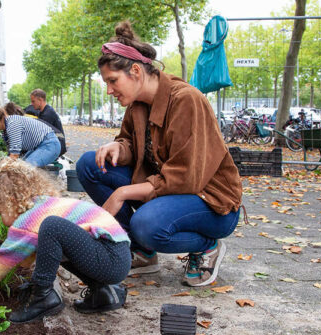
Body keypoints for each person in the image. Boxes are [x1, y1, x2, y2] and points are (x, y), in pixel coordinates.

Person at [76, 21, 242, 287]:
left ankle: (207, 246)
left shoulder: (186, 100)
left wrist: (122, 193)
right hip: (168, 191)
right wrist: (119, 148)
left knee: (146, 225)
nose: (109, 91)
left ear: (136, 71)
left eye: (112, 81)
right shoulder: (136, 104)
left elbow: (186, 179)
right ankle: (143, 253)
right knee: (89, 164)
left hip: (209, 202)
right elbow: (131, 142)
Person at [0, 158, 131, 323]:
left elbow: (4, 258)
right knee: (53, 239)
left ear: (11, 202)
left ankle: (43, 297)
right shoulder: (43, 205)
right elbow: (30, 255)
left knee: (52, 226)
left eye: (0, 213)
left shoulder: (29, 218)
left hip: (111, 259)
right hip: (116, 255)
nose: (1, 219)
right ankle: (104, 293)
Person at [0, 101, 60, 167]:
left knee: (24, 169)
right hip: (40, 147)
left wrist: (1, 168)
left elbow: (14, 155)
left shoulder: (12, 124)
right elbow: (12, 154)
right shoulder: (5, 131)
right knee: (20, 167)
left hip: (49, 144)